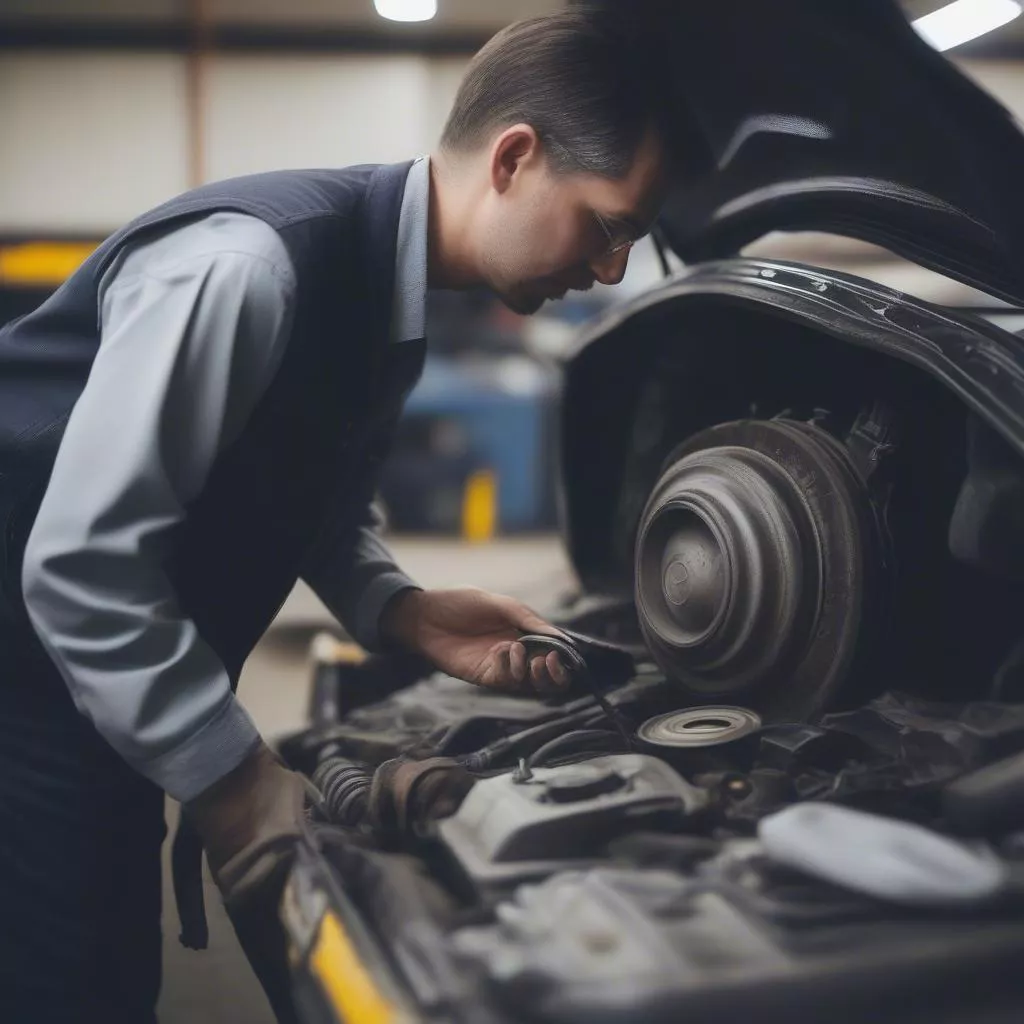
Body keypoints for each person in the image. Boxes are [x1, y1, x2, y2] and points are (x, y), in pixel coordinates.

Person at [0, 9, 671, 1023]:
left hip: (80, 683)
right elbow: (80, 568)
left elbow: (300, 490)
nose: (611, 269)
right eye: (609, 226)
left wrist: (401, 608)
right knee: (75, 988)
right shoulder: (248, 269)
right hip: (27, 683)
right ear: (514, 159)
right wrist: (232, 777)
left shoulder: (383, 292)